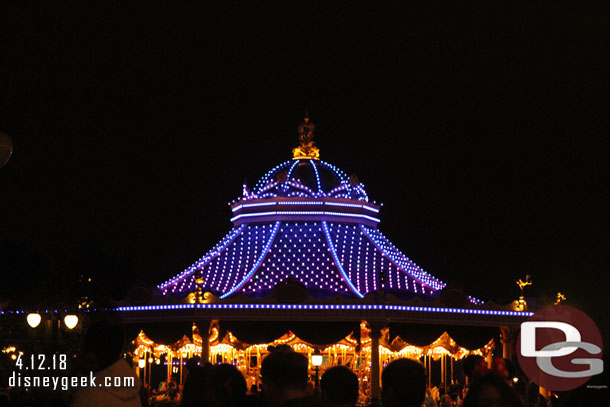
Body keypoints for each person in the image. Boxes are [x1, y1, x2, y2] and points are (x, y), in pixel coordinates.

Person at [69, 320, 141, 407]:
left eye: (81, 349)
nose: (78, 356)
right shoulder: (132, 394)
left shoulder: (87, 397)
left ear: (91, 355)